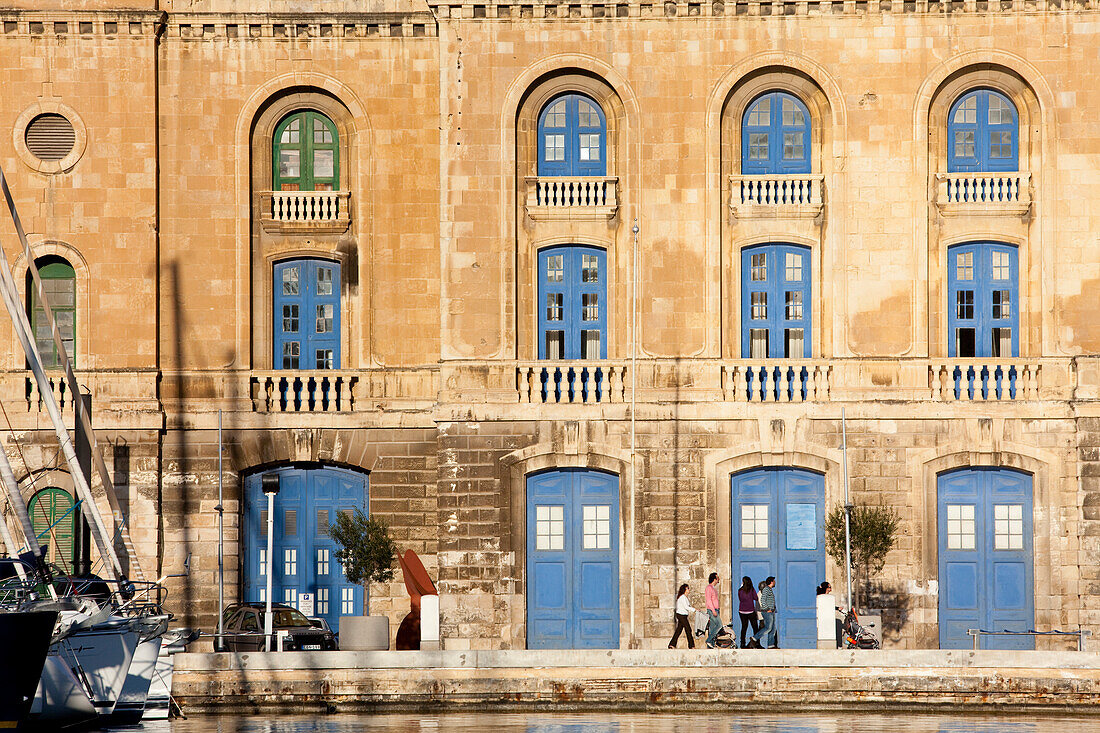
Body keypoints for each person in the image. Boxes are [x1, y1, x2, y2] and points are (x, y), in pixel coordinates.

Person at [749, 576, 778, 649]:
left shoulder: (768, 590)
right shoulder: (765, 591)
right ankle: (754, 639)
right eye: (773, 581)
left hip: (771, 612)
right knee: (768, 628)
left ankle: (771, 645)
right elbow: (763, 601)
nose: (775, 582)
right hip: (767, 612)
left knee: (772, 629)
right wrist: (767, 609)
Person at [668, 583, 696, 649]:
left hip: (683, 615)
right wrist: (695, 610)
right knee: (688, 629)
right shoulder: (683, 597)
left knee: (679, 630)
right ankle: (691, 646)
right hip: (681, 615)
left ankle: (672, 644)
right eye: (688, 588)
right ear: (685, 590)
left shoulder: (684, 597)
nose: (689, 590)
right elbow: (686, 607)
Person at [737, 576, 760, 649]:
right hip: (750, 611)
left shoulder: (740, 590)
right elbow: (756, 598)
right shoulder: (751, 590)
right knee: (755, 628)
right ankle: (757, 643)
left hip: (742, 611)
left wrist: (741, 587)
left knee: (744, 627)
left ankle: (742, 644)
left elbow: (740, 599)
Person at [704, 572, 723, 648]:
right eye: (717, 578)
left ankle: (710, 646)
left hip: (715, 610)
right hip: (712, 610)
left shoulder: (713, 588)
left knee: (712, 629)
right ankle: (708, 640)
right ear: (714, 579)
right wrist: (713, 611)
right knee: (719, 625)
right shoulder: (709, 588)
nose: (718, 579)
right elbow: (708, 600)